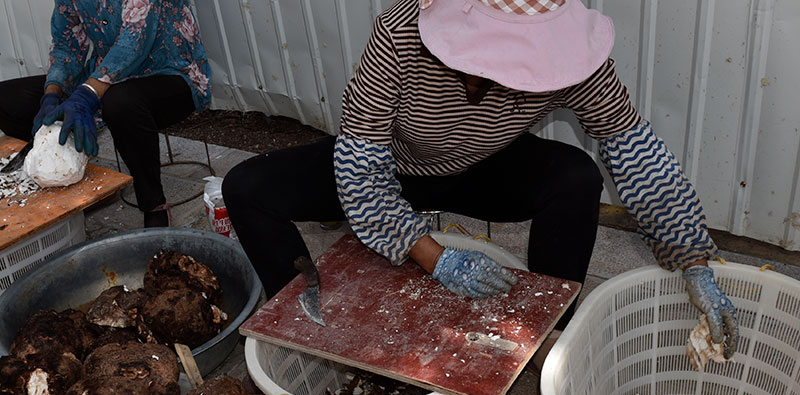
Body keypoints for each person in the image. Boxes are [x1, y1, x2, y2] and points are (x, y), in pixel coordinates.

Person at [223, 0, 738, 364]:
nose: (487, 83)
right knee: (246, 187)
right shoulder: (400, 31)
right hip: (394, 165)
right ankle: (299, 322)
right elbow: (360, 165)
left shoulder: (574, 60)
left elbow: (634, 148)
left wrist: (692, 259)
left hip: (479, 169)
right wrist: (432, 256)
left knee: (577, 176)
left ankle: (550, 331)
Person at [0, 0, 211, 228]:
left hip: (171, 73)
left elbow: (135, 41)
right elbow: (66, 46)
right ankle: (66, 178)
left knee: (120, 102)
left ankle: (153, 203)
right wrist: (51, 95)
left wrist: (87, 93)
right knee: (8, 99)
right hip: (104, 78)